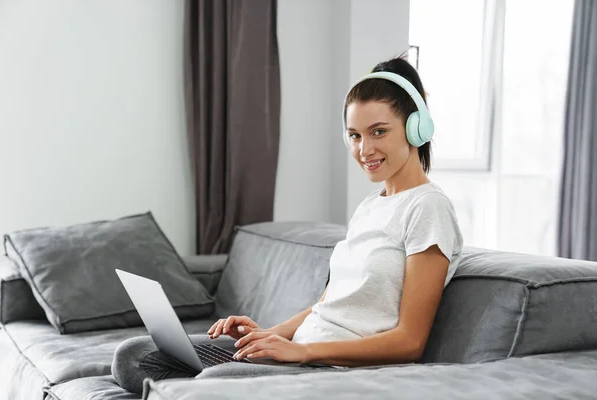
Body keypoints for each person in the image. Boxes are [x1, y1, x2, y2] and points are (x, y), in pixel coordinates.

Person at [112, 54, 464, 394]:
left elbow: (411, 341)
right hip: (300, 355)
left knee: (209, 387)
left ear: (416, 128)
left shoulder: (428, 207)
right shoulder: (370, 208)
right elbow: (327, 307)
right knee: (134, 357)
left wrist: (305, 352)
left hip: (332, 371)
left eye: (378, 132)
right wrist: (269, 334)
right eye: (355, 135)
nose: (364, 149)